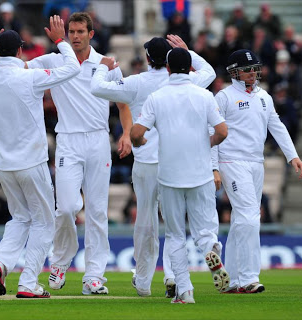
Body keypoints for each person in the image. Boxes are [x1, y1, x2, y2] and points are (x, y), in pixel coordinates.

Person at [90, 35, 216, 297]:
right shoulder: (188, 81)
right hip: (174, 163)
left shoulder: (136, 82)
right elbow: (210, 72)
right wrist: (187, 52)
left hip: (146, 163)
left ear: (148, 58)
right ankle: (172, 276)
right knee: (174, 226)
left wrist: (104, 65)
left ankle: (145, 281)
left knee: (146, 223)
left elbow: (97, 88)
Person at [0, 16, 80, 298]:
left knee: (19, 218)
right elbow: (73, 67)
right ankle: (29, 283)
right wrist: (60, 41)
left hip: (4, 166)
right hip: (32, 163)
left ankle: (1, 262)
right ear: (20, 51)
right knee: (44, 222)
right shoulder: (30, 77)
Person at [26, 12, 132, 295]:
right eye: (71, 31)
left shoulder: (106, 63)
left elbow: (123, 104)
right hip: (68, 141)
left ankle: (94, 276)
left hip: (98, 140)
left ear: (90, 34)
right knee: (67, 207)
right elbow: (17, 72)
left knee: (97, 211)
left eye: (80, 31)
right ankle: (60, 262)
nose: (74, 36)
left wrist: (126, 134)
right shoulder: (55, 60)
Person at [130, 47, 229, 304]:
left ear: (169, 69)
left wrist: (139, 142)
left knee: (175, 235)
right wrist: (207, 142)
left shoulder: (157, 96)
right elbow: (222, 131)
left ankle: (185, 292)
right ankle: (210, 250)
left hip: (170, 177)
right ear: (190, 69)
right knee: (205, 231)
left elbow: (135, 132)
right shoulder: (204, 95)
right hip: (200, 175)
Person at [215, 49, 302, 294]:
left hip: (256, 163)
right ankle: (249, 277)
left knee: (240, 222)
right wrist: (214, 167)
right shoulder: (224, 97)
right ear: (234, 72)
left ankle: (231, 281)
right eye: (247, 70)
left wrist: (292, 155)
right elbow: (211, 133)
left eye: (255, 68)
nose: (253, 73)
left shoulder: (264, 96)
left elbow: (276, 125)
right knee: (249, 217)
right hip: (232, 162)